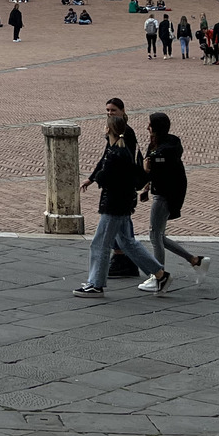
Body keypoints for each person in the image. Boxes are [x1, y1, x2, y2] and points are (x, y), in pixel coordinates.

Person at [74, 112, 172, 298]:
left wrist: (100, 177)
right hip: (122, 205)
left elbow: (108, 179)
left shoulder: (115, 154)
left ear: (108, 129)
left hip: (114, 206)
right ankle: (160, 274)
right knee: (128, 243)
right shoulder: (120, 151)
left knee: (100, 243)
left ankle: (96, 284)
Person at [138, 111, 209, 290]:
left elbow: (162, 160)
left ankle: (159, 276)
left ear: (158, 127)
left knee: (154, 235)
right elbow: (154, 165)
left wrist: (149, 165)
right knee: (159, 236)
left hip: (167, 195)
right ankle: (195, 260)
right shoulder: (155, 144)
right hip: (160, 191)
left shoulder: (170, 145)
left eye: (150, 125)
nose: (147, 127)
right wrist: (147, 185)